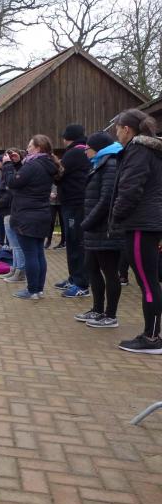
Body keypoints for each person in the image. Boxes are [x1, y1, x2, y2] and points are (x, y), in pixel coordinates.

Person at [110, 109, 162, 354]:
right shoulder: (150, 151)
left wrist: (116, 216)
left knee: (148, 283)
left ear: (126, 129)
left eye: (117, 128)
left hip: (142, 223)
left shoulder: (138, 151)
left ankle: (151, 338)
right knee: (149, 281)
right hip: (146, 221)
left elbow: (130, 189)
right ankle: (151, 334)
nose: (116, 133)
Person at [75, 132, 123, 328]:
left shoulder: (110, 164)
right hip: (95, 229)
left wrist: (87, 222)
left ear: (97, 148)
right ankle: (97, 309)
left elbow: (106, 200)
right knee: (92, 268)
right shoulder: (99, 164)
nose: (85, 151)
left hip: (106, 230)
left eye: (87, 148)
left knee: (110, 272)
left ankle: (110, 315)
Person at [4, 135, 59, 300]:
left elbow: (13, 182)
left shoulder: (33, 165)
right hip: (42, 213)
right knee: (38, 253)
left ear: (38, 148)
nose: (27, 149)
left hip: (27, 215)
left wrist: (7, 165)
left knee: (30, 254)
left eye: (29, 146)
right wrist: (17, 163)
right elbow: (27, 179)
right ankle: (38, 289)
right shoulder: (46, 164)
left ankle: (32, 290)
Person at [54, 124, 91, 298]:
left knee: (76, 243)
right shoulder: (81, 151)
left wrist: (53, 162)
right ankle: (73, 278)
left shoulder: (74, 153)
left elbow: (58, 174)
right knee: (72, 242)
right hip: (75, 202)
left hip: (74, 203)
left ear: (67, 137)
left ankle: (81, 283)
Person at [0, 149, 27, 283]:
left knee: (17, 245)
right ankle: (14, 268)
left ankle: (20, 271)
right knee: (13, 245)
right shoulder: (11, 170)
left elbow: (11, 187)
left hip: (14, 211)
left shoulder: (18, 170)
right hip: (8, 211)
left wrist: (8, 165)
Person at [47, 185, 65, 250]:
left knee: (62, 222)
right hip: (52, 202)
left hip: (62, 202)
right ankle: (48, 241)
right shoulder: (50, 179)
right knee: (51, 222)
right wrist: (49, 193)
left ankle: (63, 242)